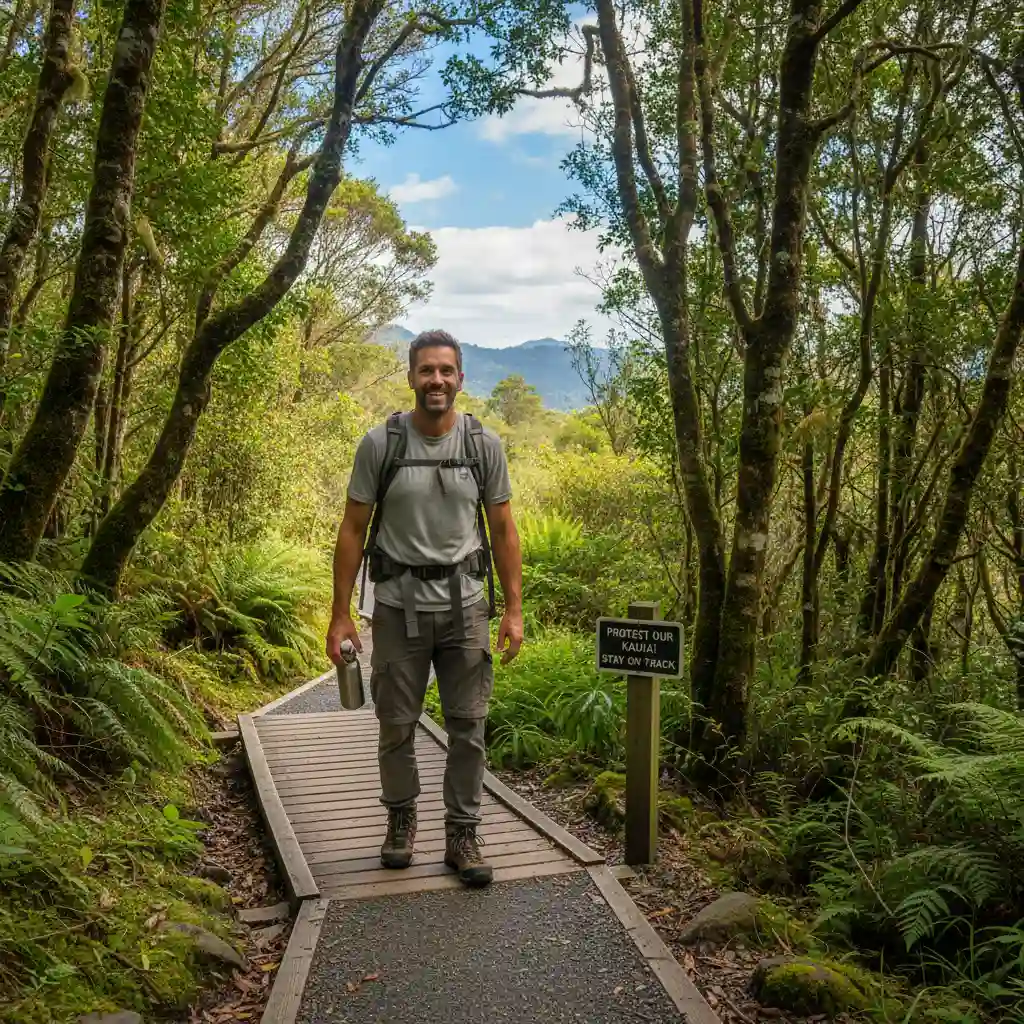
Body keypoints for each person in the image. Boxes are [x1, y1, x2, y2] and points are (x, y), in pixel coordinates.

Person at [326, 329, 524, 888]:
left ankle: (462, 833)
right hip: (395, 607)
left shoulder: (483, 445)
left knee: (470, 726)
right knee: (395, 726)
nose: (436, 380)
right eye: (426, 370)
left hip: (466, 607)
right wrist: (340, 613)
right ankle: (401, 821)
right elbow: (352, 528)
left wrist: (513, 609)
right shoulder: (381, 444)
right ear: (410, 376)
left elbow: (504, 528)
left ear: (460, 378)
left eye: (446, 371)